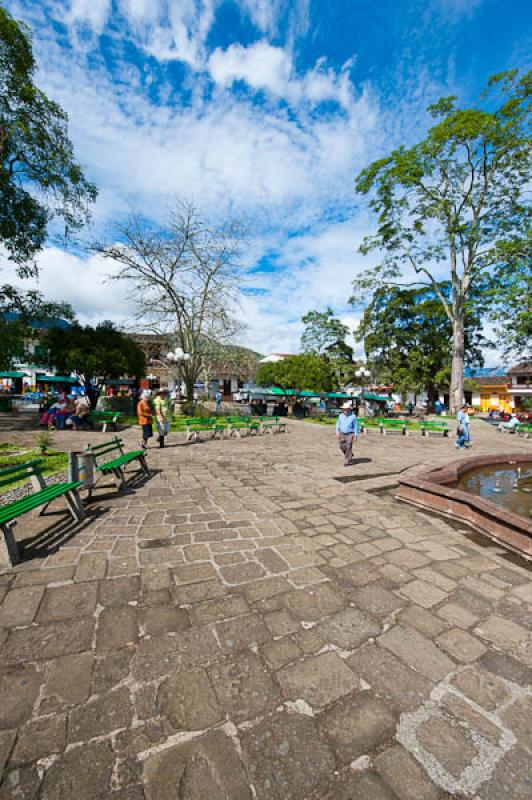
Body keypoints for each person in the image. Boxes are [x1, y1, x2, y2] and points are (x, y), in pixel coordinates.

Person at [336, 401, 359, 466]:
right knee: (342, 446)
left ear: (349, 409)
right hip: (342, 433)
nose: (345, 410)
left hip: (350, 434)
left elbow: (356, 426)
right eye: (344, 409)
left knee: (349, 446)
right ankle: (350, 454)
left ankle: (347, 461)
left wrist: (355, 435)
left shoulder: (353, 416)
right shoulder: (340, 416)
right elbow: (338, 424)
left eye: (346, 409)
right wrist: (337, 432)